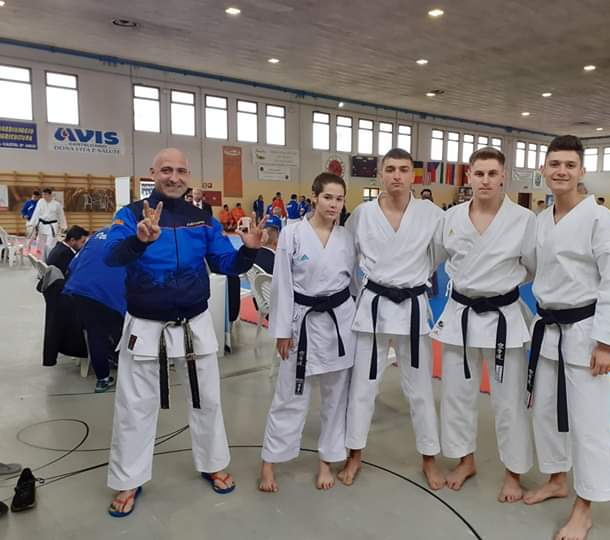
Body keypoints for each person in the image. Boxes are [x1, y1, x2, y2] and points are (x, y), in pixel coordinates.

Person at [103, 148, 264, 517]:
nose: (173, 177)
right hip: (146, 324)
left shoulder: (202, 219)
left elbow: (223, 263)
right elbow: (111, 257)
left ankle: (213, 463)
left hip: (194, 323)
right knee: (134, 408)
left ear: (188, 175)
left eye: (180, 170)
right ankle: (129, 478)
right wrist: (139, 240)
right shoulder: (130, 215)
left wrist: (248, 252)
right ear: (153, 173)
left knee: (207, 400)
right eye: (166, 170)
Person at [525, 135, 610, 540]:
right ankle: (557, 479)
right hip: (548, 329)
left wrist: (607, 342)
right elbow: (531, 268)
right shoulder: (542, 219)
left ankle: (584, 507)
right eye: (554, 164)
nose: (561, 171)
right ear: (543, 169)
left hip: (586, 334)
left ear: (581, 171)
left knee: (589, 425)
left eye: (569, 165)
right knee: (545, 414)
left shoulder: (598, 218)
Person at [431, 148, 536, 498]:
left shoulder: (524, 219)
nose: (486, 180)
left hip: (504, 318)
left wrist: (500, 285)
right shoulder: (452, 218)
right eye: (479, 173)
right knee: (457, 396)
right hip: (460, 316)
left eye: (493, 173)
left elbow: (533, 267)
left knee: (510, 402)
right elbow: (435, 257)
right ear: (469, 176)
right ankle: (465, 460)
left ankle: (513, 472)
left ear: (503, 176)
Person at [339, 148, 445, 490]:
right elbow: (348, 258)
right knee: (362, 386)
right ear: (380, 175)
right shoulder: (362, 214)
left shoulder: (431, 214)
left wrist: (413, 281)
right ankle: (354, 454)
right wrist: (359, 297)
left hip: (412, 308)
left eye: (403, 169)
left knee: (421, 389)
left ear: (413, 175)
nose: (397, 175)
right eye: (390, 169)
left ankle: (429, 458)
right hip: (373, 307)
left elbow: (437, 256)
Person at [259, 173, 356, 492]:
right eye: (327, 197)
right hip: (301, 323)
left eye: (339, 199)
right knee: (289, 395)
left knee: (336, 399)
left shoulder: (346, 237)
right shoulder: (293, 233)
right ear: (314, 197)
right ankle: (269, 461)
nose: (333, 204)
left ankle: (327, 460)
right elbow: (282, 284)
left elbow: (353, 283)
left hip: (339, 323)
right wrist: (282, 330)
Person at [64, 227, 126, 392]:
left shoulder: (98, 234)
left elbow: (73, 265)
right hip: (109, 294)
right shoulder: (137, 239)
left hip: (81, 290)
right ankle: (130, 378)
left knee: (95, 335)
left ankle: (102, 379)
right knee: (123, 336)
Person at [28, 188, 67, 260]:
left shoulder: (57, 204)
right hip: (42, 225)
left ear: (50, 195)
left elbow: (61, 215)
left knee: (50, 244)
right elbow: (36, 213)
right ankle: (41, 260)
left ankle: (50, 259)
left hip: (52, 226)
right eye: (43, 195)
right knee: (40, 243)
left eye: (46, 195)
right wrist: (32, 223)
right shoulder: (40, 202)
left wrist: (63, 226)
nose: (44, 196)